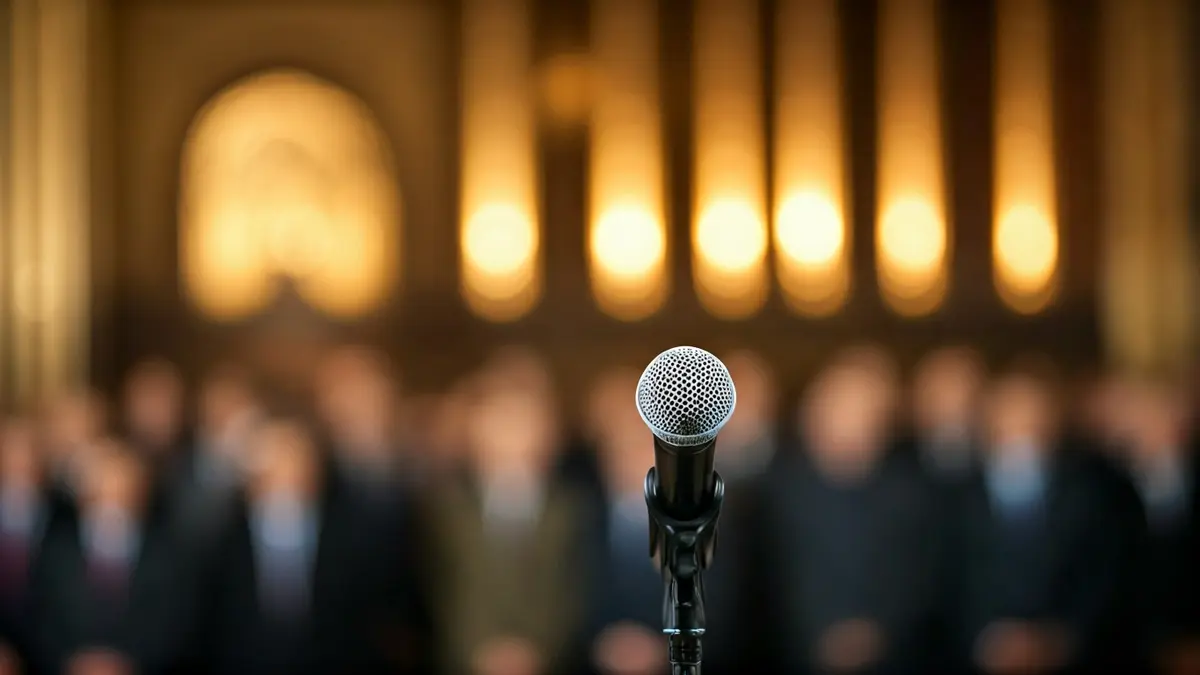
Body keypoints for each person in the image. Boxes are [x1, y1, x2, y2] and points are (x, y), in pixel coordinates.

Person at [758, 348, 943, 674]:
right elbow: (764, 583)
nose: (849, 420)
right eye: (839, 406)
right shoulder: (773, 491)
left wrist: (875, 632)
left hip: (892, 656)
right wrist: (818, 633)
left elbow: (925, 576)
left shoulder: (912, 492)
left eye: (862, 409)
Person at [950, 359, 1128, 675]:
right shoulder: (958, 494)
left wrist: (1060, 638)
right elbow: (953, 576)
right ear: (987, 417)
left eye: (1031, 408)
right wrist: (988, 638)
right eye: (1010, 408)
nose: (1021, 420)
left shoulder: (1087, 489)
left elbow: (1101, 572)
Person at [202, 417, 419, 674]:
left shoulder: (357, 536)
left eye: (292, 458)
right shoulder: (221, 539)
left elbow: (376, 622)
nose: (283, 472)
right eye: (273, 460)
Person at [427, 347, 586, 675]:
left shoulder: (574, 507)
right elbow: (436, 590)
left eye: (523, 421)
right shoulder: (442, 507)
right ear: (474, 428)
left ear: (549, 431)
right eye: (499, 419)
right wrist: (477, 648)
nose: (511, 434)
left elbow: (575, 589)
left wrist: (537, 650)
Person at [29, 440, 190, 675]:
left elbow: (177, 626)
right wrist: (75, 661)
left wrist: (127, 664)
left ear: (140, 495)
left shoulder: (168, 553)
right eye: (101, 492)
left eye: (121, 493)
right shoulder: (55, 551)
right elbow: (39, 619)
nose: (111, 505)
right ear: (82, 496)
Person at [581, 366, 667, 675]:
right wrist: (604, 641)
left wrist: (662, 644)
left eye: (643, 444)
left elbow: (717, 602)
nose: (632, 457)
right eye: (622, 446)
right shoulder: (581, 518)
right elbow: (569, 595)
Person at [0, 419, 50, 675]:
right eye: (10, 450)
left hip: (47, 654)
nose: (20, 461)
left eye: (28, 451)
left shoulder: (63, 515)